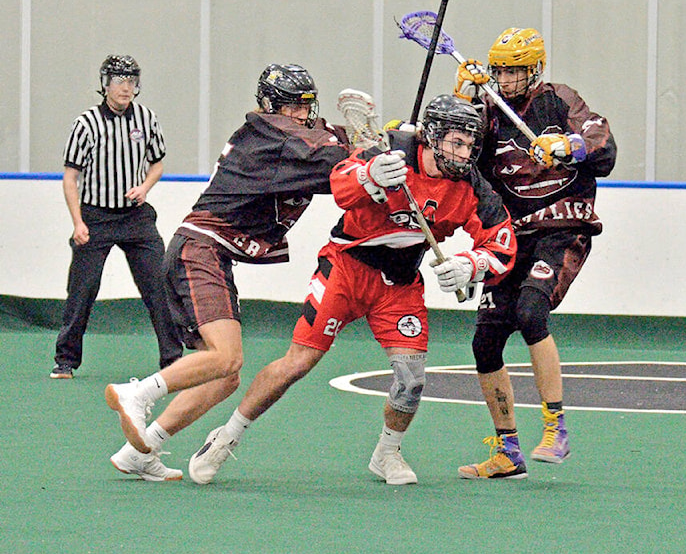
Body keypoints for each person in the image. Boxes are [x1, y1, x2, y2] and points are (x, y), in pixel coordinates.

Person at [186, 94, 517, 486]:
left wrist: (470, 265)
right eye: (456, 143)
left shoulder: (471, 186)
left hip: (399, 284)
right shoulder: (392, 149)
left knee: (412, 380)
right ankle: (226, 437)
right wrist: (371, 175)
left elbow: (502, 241)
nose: (464, 153)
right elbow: (340, 186)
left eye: (470, 145)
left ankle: (387, 453)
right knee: (297, 363)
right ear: (432, 135)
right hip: (346, 267)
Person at [105, 63, 350, 481]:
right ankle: (138, 393)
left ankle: (139, 452)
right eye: (291, 106)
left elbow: (329, 145)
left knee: (226, 375)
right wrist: (372, 149)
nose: (300, 114)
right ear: (270, 106)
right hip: (201, 250)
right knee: (227, 356)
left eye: (305, 106)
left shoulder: (286, 134)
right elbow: (333, 161)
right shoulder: (272, 135)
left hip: (205, 252)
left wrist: (389, 137)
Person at [454, 28, 617, 479]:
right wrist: (461, 110)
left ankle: (555, 428)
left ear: (535, 70)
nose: (505, 80)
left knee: (530, 312)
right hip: (512, 237)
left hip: (562, 230)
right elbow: (463, 160)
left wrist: (570, 145)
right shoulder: (487, 112)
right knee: (484, 342)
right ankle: (508, 451)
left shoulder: (560, 100)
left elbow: (603, 146)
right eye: (500, 71)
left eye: (514, 72)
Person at [51, 55, 182, 380]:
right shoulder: (86, 124)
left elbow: (157, 164)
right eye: (119, 81)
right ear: (105, 85)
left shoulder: (147, 119)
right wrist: (78, 222)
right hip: (95, 217)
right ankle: (65, 360)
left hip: (136, 217)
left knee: (159, 284)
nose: (126, 88)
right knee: (82, 289)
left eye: (131, 81)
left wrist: (145, 187)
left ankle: (174, 359)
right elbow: (71, 177)